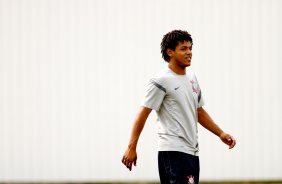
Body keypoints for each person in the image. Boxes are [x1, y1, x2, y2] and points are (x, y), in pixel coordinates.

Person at [121, 30, 236, 184]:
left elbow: (199, 111)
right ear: (170, 52)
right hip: (174, 151)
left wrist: (220, 133)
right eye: (183, 49)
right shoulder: (161, 80)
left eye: (190, 48)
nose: (189, 52)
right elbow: (143, 113)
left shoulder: (192, 78)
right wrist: (131, 147)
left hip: (191, 152)